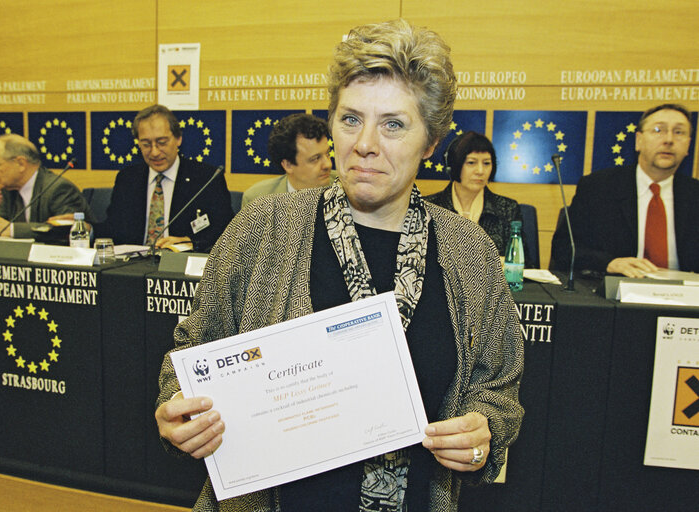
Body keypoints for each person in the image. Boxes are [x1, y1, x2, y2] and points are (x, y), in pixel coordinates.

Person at [155, 19, 523, 512]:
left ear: (431, 142)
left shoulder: (469, 252)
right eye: (350, 120)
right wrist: (178, 407)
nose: (364, 143)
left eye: (393, 124)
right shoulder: (261, 229)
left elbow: (497, 385)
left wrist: (485, 430)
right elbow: (193, 350)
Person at [550, 103, 699, 277]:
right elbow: (564, 248)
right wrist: (609, 263)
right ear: (639, 141)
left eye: (679, 132)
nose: (668, 140)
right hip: (617, 294)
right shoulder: (598, 188)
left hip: (683, 298)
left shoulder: (694, 194)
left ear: (688, 145)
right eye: (658, 130)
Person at [84, 104, 234, 252]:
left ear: (178, 139)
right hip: (133, 267)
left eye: (162, 143)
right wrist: (88, 229)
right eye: (146, 144)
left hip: (177, 267)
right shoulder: (128, 178)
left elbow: (227, 232)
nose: (154, 152)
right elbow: (114, 229)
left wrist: (191, 242)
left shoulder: (206, 178)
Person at [425, 131, 532, 266]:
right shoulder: (429, 206)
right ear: (454, 166)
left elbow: (525, 263)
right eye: (471, 163)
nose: (480, 171)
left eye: (486, 163)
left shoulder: (507, 208)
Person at [0, 134, 93, 238]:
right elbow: (2, 225)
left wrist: (11, 229)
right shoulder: (9, 189)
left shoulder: (58, 188)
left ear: (21, 163)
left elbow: (65, 231)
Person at [241, 113, 335, 208]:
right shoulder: (257, 200)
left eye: (327, 154)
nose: (328, 164)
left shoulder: (345, 188)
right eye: (315, 159)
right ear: (288, 165)